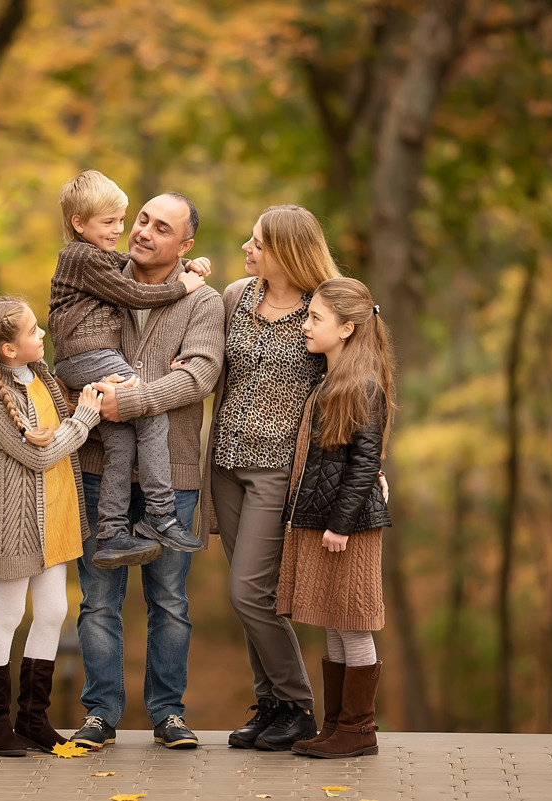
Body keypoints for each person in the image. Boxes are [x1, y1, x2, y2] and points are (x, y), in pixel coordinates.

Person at [65, 192, 225, 751]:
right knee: (98, 600)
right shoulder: (98, 272)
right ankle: (100, 714)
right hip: (96, 466)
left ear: (185, 246)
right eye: (142, 220)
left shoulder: (202, 302)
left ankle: (168, 714)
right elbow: (66, 352)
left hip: (173, 475)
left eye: (162, 228)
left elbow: (197, 378)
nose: (144, 232)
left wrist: (128, 401)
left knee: (170, 601)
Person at [199, 205, 341, 751]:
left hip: (279, 470)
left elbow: (354, 385)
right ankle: (271, 706)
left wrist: (366, 462)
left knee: (249, 593)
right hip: (226, 465)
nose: (244, 248)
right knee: (247, 593)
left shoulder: (324, 306)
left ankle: (299, 705)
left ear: (286, 250)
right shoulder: (236, 297)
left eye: (256, 243)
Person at [49, 170, 209, 569]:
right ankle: (159, 515)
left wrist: (184, 267)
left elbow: (200, 376)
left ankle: (113, 533)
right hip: (87, 356)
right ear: (79, 223)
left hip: (84, 361)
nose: (127, 231)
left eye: (123, 221)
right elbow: (135, 294)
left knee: (121, 440)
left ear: (183, 243)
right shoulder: (84, 258)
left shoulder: (94, 257)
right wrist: (183, 285)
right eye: (126, 221)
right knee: (150, 416)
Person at [0, 296, 103, 756]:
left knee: (51, 613)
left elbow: (54, 445)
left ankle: (32, 718)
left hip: (58, 511)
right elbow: (40, 453)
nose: (41, 333)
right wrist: (85, 418)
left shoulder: (42, 376)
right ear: (9, 349)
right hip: (14, 520)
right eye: (31, 331)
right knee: (7, 614)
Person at [279, 276, 394, 759]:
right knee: (333, 620)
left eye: (314, 319)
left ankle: (359, 729)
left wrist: (341, 525)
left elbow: (365, 462)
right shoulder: (332, 376)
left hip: (348, 526)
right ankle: (336, 725)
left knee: (353, 622)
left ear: (347, 329)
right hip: (327, 520)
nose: (305, 326)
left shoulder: (362, 382)